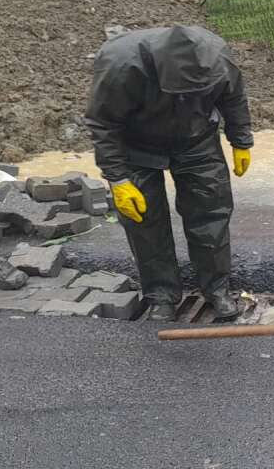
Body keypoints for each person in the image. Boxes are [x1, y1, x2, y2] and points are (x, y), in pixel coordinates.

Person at [84, 25, 253, 321]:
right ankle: (161, 294)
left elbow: (233, 97)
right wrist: (118, 178)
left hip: (197, 139)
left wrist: (240, 140)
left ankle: (216, 288)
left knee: (210, 214)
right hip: (136, 146)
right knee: (145, 222)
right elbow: (103, 124)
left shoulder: (217, 57)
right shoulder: (121, 64)